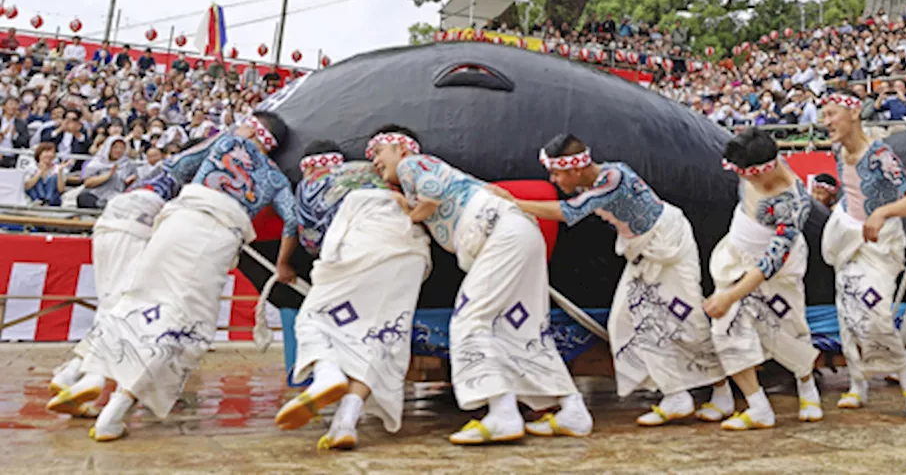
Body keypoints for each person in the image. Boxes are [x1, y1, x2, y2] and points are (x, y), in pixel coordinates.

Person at [75, 112, 299, 442]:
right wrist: (284, 264)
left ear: (252, 128)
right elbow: (292, 221)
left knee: (138, 301)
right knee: (183, 324)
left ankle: (89, 378)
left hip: (177, 222)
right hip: (215, 239)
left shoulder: (224, 142)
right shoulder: (276, 178)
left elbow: (178, 167)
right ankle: (116, 407)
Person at [367, 126, 591, 445]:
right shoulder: (427, 171)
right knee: (521, 328)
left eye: (378, 152)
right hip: (519, 234)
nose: (374, 160)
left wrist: (409, 213)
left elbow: (429, 199)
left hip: (499, 234)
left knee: (470, 319)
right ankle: (572, 410)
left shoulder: (412, 164)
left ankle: (502, 413)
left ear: (401, 148)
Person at [507, 134, 731, 426]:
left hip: (669, 247)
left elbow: (570, 211)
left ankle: (723, 393)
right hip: (643, 253)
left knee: (687, 319)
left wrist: (515, 203)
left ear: (575, 170)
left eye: (556, 173)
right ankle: (676, 394)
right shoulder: (599, 179)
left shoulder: (613, 179)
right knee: (626, 321)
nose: (553, 180)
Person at [275, 140, 431, 451]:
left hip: (366, 243)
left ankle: (327, 373)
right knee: (377, 341)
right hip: (412, 257)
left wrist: (323, 270)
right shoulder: (413, 183)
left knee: (313, 319)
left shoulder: (341, 180)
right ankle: (344, 423)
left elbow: (321, 234)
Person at [704, 128, 822, 431]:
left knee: (789, 327)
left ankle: (807, 384)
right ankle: (758, 406)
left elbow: (772, 262)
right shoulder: (750, 171)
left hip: (778, 269)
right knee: (724, 330)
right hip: (736, 256)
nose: (743, 179)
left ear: (765, 168)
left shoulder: (792, 202)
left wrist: (730, 296)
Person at [819, 93, 906, 414]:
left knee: (876, 310)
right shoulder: (840, 152)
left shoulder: (880, 154)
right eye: (824, 115)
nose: (826, 122)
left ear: (853, 113)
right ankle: (857, 383)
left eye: (831, 114)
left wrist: (881, 214)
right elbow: (852, 193)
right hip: (849, 241)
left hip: (879, 244)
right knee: (849, 312)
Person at [45, 186, 166, 414]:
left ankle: (71, 372)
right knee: (128, 309)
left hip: (108, 223)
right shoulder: (203, 173)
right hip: (139, 224)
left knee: (109, 306)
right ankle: (94, 377)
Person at [75, 136, 136, 209]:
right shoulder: (96, 162)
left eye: (122, 148)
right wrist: (108, 176)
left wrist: (129, 183)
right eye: (115, 147)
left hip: (117, 197)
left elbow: (133, 184)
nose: (118, 150)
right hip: (95, 194)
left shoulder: (128, 165)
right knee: (83, 198)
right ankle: (101, 205)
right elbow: (87, 183)